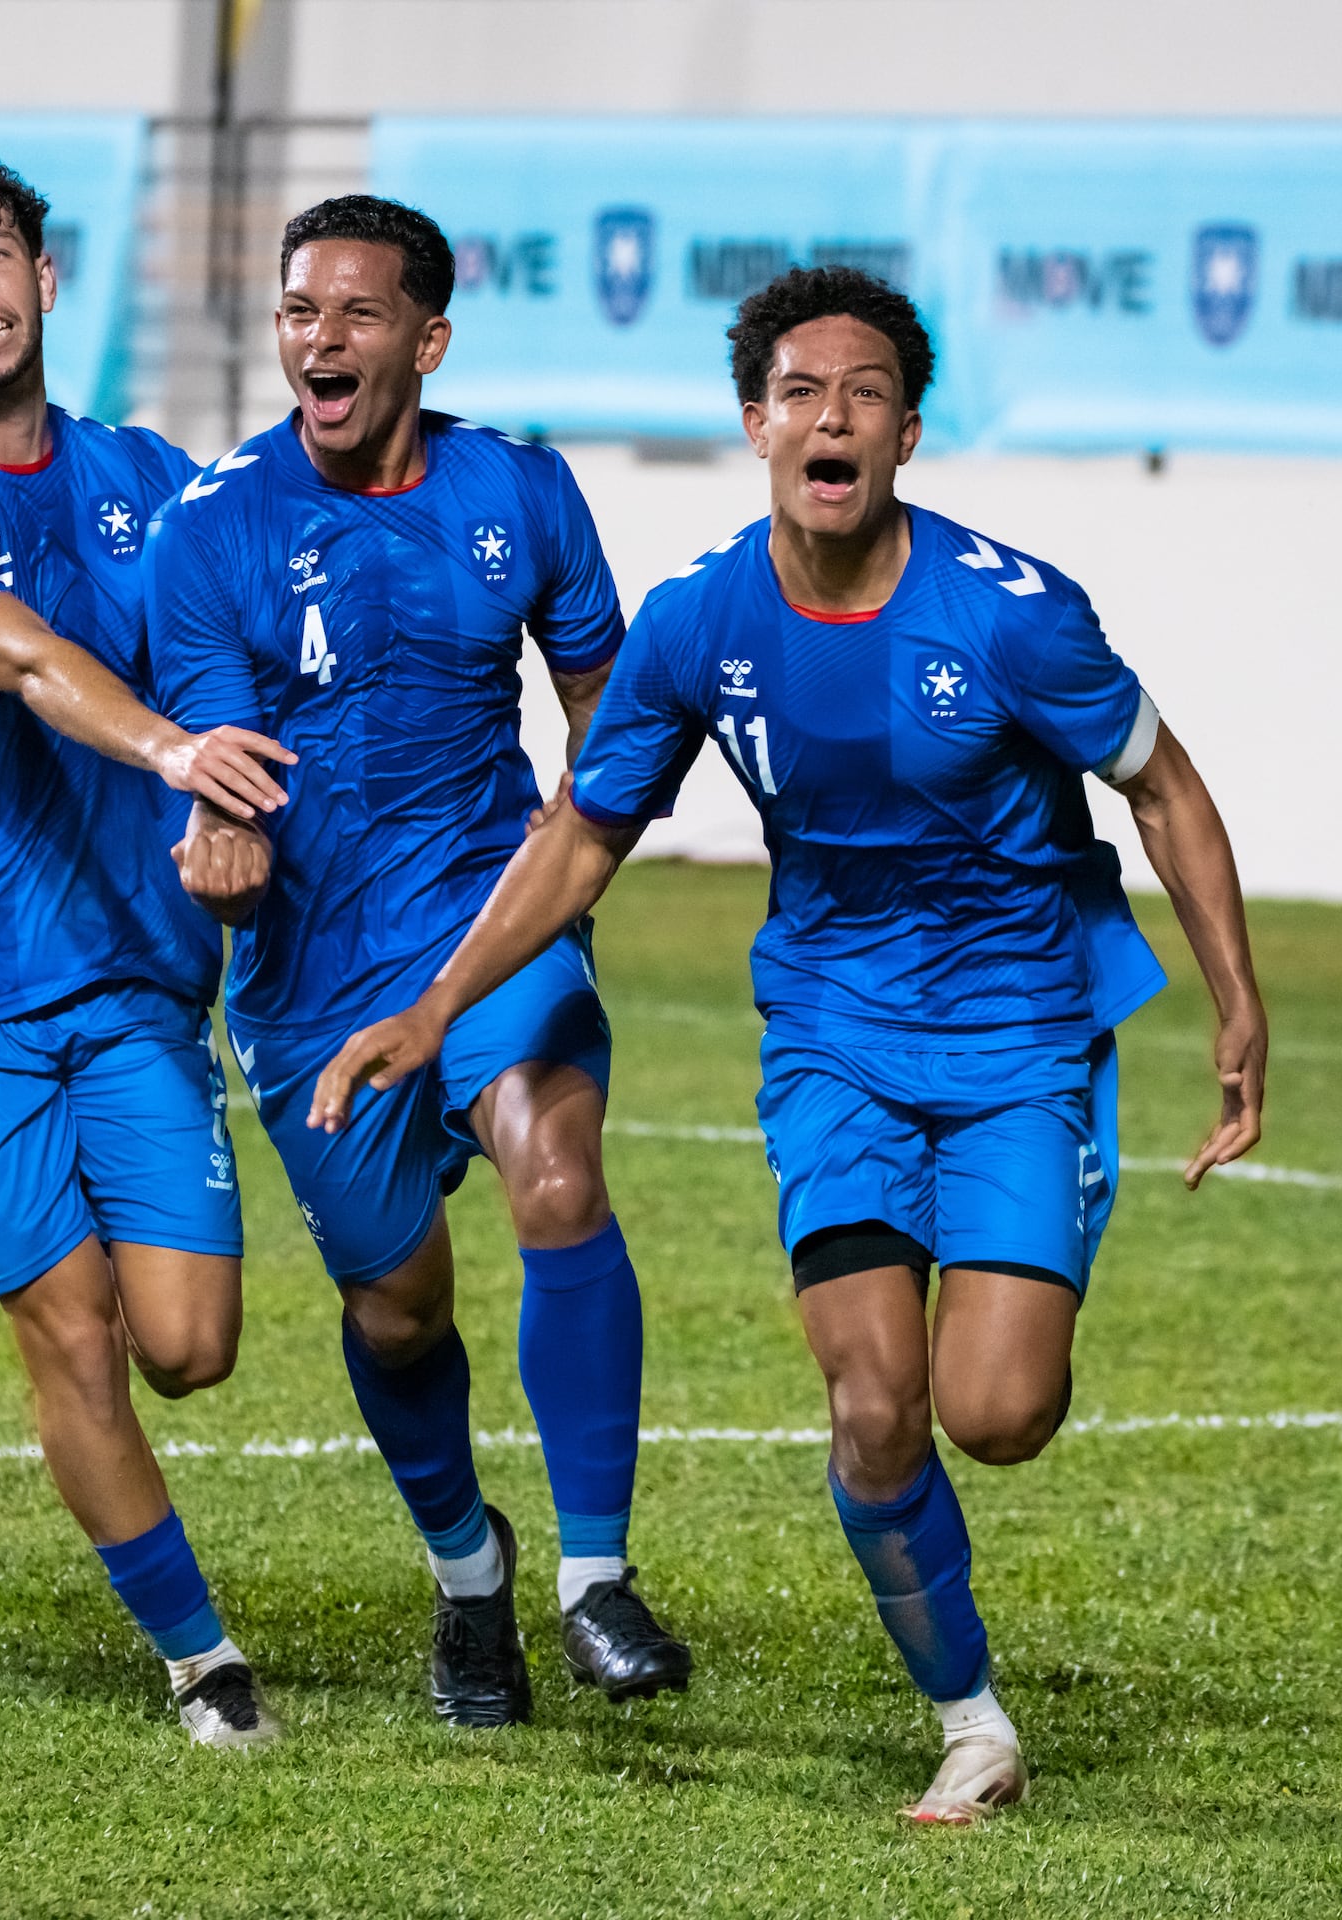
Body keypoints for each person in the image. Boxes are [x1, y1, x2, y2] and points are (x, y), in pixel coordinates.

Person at [308, 266, 1268, 1819]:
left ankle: (1008, 1341)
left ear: (904, 431)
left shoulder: (1012, 614)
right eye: (803, 392)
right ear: (756, 423)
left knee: (998, 1414)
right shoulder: (699, 622)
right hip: (830, 1033)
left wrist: (1237, 1002)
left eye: (868, 392)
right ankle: (973, 1722)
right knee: (873, 1407)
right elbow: (579, 836)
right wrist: (432, 1009)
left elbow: (1166, 789)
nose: (835, 416)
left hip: (1023, 1032)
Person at [142, 195, 692, 1728]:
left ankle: (595, 1576)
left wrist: (577, 872)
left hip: (494, 921)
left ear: (426, 339)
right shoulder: (212, 527)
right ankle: (471, 1578)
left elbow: (611, 712)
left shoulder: (520, 490)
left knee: (559, 1170)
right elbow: (213, 753)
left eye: (356, 313)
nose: (319, 339)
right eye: (297, 311)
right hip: (317, 984)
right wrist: (223, 840)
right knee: (400, 1308)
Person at [0, 155, 295, 1750]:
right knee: (71, 1328)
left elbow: (239, 634)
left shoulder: (152, 478)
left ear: (46, 277)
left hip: (134, 972)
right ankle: (201, 1663)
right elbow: (22, 659)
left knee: (190, 1343)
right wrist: (178, 758)